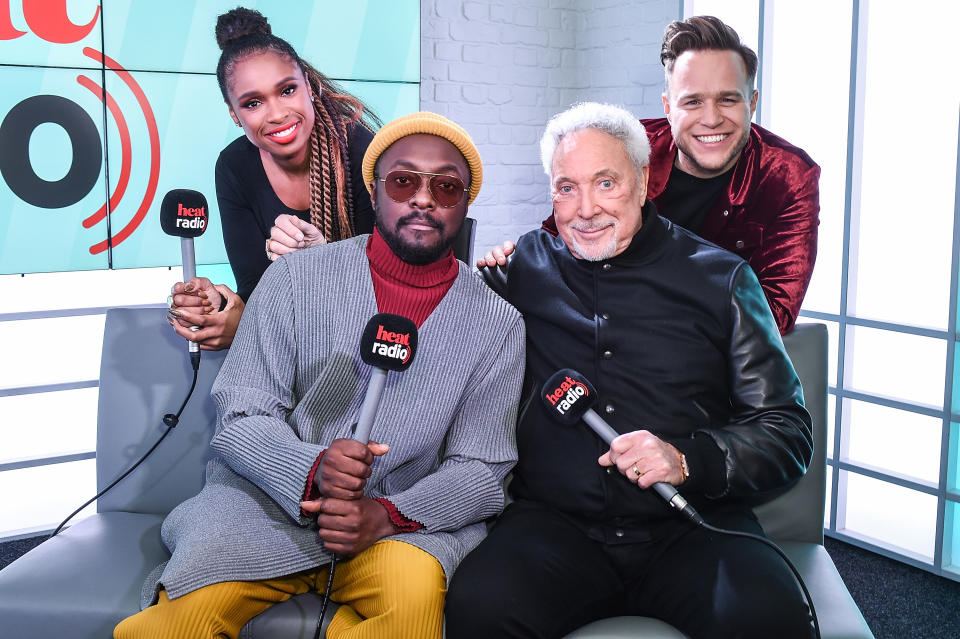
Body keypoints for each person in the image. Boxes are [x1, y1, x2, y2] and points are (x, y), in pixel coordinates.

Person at [116, 112, 525, 639]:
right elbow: (242, 414)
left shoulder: (498, 323)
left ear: (464, 204)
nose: (423, 198)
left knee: (412, 614)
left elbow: (483, 467)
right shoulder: (292, 278)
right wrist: (314, 470)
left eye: (446, 187)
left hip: (398, 526)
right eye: (404, 181)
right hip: (263, 504)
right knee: (175, 627)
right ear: (374, 191)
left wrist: (385, 515)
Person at [446, 102, 814, 639]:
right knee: (479, 606)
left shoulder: (723, 280)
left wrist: (687, 459)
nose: (585, 209)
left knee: (765, 616)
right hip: (554, 527)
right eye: (566, 188)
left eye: (605, 183)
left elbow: (786, 430)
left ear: (643, 182)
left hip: (691, 525)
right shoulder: (521, 268)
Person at [482, 15, 819, 335]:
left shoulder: (789, 176)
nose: (712, 119)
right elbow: (562, 235)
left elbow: (774, 313)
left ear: (753, 103)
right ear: (667, 106)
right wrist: (514, 262)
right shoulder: (630, 146)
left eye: (728, 100)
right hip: (606, 335)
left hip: (701, 360)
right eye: (692, 102)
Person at [167, 7, 380, 350]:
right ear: (234, 115)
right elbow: (254, 288)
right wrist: (221, 308)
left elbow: (392, 278)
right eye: (252, 103)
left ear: (308, 86)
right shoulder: (235, 166)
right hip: (290, 345)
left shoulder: (359, 149)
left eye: (286, 91)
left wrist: (323, 258)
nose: (278, 114)